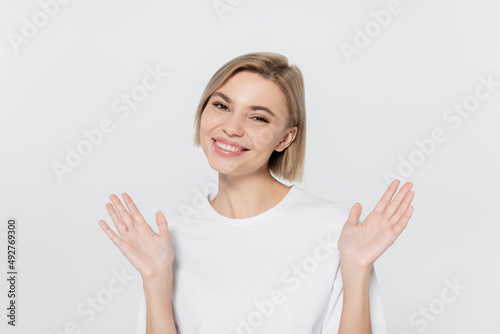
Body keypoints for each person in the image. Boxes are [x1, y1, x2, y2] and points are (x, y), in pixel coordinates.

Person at [98, 52, 415, 334]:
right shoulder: (169, 241)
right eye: (222, 105)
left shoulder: (336, 231)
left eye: (258, 117)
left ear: (285, 138)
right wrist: (155, 278)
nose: (232, 128)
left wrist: (357, 268)